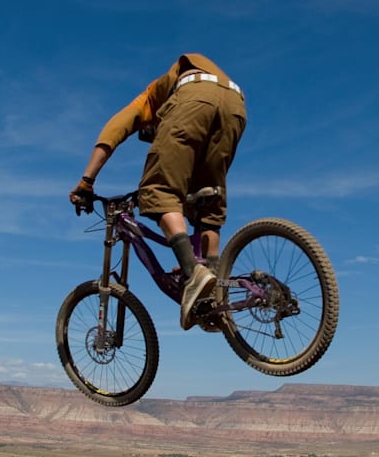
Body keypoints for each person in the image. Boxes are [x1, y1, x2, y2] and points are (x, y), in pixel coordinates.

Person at [69, 53, 247, 328]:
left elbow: (112, 132)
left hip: (194, 96)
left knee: (157, 189)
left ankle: (193, 273)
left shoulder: (150, 98)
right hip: (236, 105)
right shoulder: (192, 85)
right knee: (207, 200)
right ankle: (213, 290)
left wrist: (87, 181)